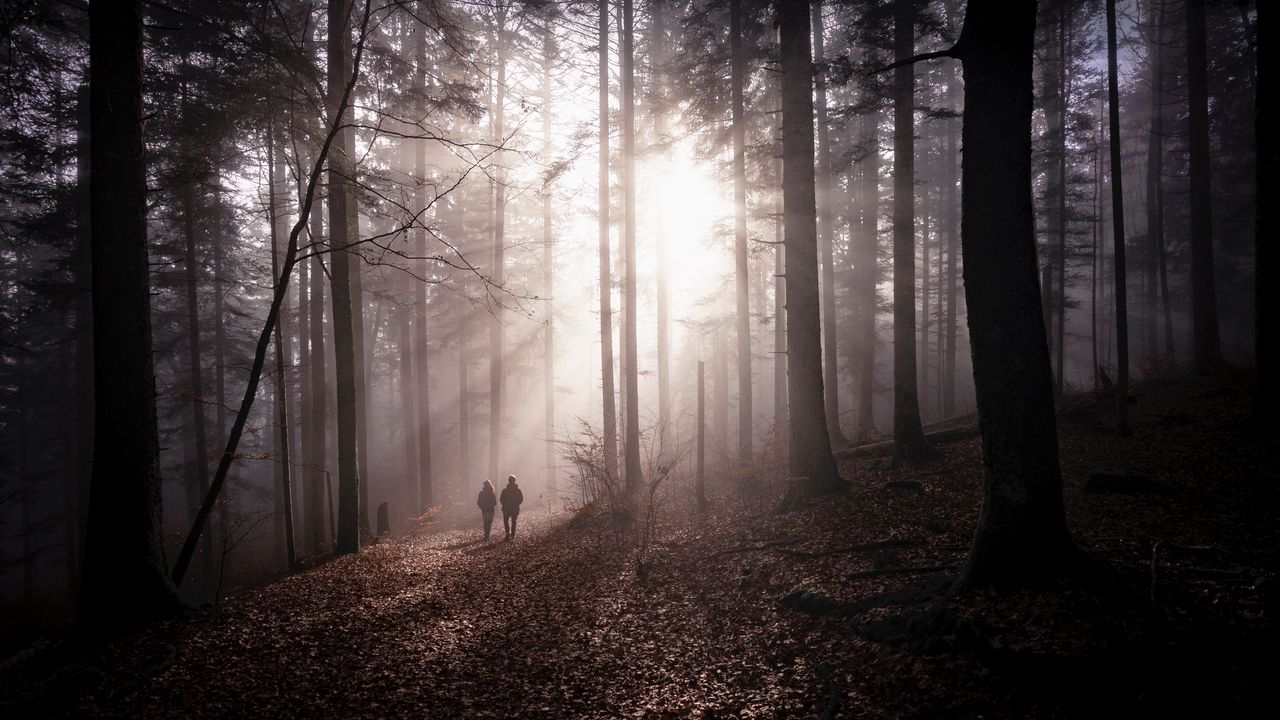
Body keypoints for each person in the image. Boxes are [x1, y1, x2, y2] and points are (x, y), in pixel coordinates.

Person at [499, 474, 524, 539]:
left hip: (506, 508)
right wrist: (517, 504)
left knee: (506, 521)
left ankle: (508, 533)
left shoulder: (505, 490)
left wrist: (504, 504)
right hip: (515, 508)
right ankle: (513, 534)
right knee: (514, 521)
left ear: (508, 481)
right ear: (514, 481)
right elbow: (521, 499)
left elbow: (501, 499)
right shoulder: (518, 490)